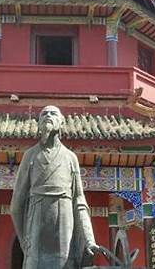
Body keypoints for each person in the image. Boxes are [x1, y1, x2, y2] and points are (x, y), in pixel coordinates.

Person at [11, 105, 99, 269]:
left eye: (53, 114)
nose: (48, 116)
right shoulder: (30, 155)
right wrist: (25, 242)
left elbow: (79, 201)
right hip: (36, 220)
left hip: (64, 223)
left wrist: (89, 239)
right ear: (38, 124)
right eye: (44, 114)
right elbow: (16, 205)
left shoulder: (70, 158)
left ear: (62, 122)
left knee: (65, 263)